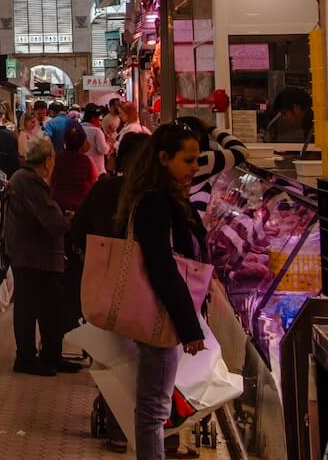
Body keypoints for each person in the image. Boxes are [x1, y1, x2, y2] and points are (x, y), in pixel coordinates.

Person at [115, 123, 208, 460]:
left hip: (162, 309)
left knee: (155, 405)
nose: (195, 168)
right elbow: (162, 265)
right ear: (164, 158)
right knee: (154, 409)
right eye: (189, 160)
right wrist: (188, 325)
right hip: (159, 313)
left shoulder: (158, 195)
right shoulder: (156, 201)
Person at [68, 130, 150, 453]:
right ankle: (159, 431)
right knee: (149, 359)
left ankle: (116, 428)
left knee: (113, 355)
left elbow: (77, 232)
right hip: (146, 287)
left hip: (105, 282)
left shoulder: (104, 189)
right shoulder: (155, 196)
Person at [3, 137, 82, 376]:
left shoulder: (23, 178)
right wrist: (68, 218)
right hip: (33, 255)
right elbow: (54, 222)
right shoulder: (30, 181)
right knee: (31, 308)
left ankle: (50, 355)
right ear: (48, 161)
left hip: (32, 254)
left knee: (48, 309)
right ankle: (27, 358)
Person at [50, 121, 98, 213]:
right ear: (82, 142)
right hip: (81, 206)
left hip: (58, 205)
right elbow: (94, 181)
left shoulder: (56, 159)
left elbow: (51, 180)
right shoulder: (86, 161)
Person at [268, 85, 314, 153]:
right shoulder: (307, 121)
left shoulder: (314, 123)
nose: (283, 118)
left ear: (296, 108)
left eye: (284, 113)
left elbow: (316, 152)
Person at [82, 104, 113, 176]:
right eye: (99, 119)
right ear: (93, 118)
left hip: (82, 166)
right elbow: (103, 149)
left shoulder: (79, 128)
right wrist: (109, 144)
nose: (100, 122)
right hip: (97, 168)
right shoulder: (96, 131)